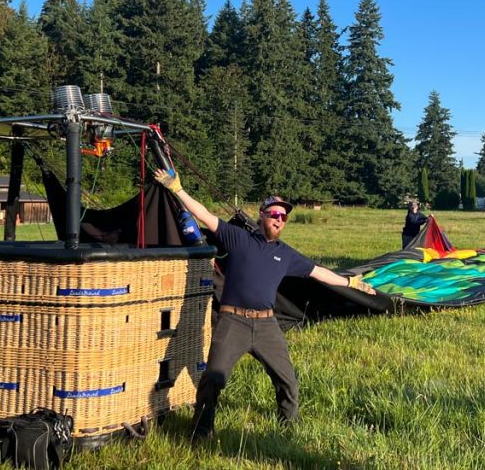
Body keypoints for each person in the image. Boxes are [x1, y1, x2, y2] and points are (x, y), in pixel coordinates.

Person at [154, 167, 375, 441]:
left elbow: (318, 272)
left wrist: (350, 283)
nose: (280, 220)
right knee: (212, 379)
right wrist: (178, 190)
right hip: (232, 322)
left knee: (287, 380)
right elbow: (204, 215)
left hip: (267, 325)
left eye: (284, 216)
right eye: (274, 214)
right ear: (262, 215)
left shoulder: (286, 254)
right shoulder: (238, 239)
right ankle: (202, 430)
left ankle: (288, 430)